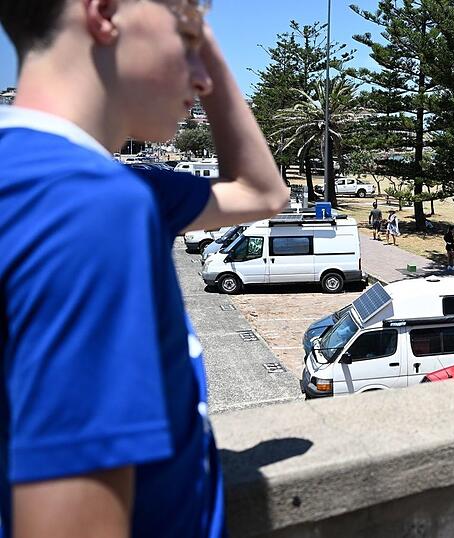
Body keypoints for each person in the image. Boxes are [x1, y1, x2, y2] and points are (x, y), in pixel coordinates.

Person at [0, 1, 290, 536]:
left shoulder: (56, 180)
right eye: (187, 39)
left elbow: (262, 192)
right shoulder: (88, 207)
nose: (204, 78)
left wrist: (196, 29)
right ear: (105, 12)